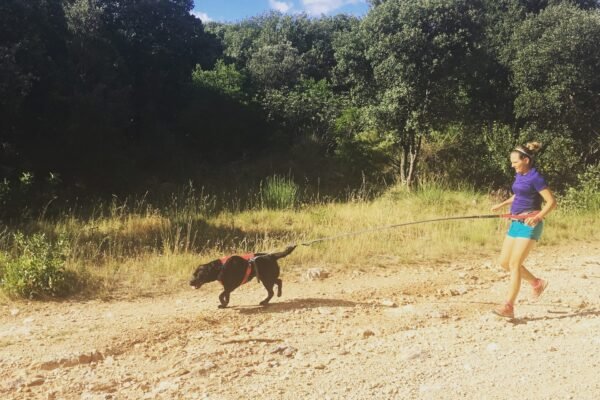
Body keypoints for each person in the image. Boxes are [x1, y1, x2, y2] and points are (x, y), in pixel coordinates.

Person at [490, 141, 557, 318]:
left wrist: (537, 217)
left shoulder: (536, 177)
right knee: (504, 262)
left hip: (530, 224)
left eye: (515, 162)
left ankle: (508, 306)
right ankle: (536, 283)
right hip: (516, 223)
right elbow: (519, 194)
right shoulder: (520, 174)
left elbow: (551, 202)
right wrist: (502, 204)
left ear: (526, 160)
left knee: (514, 264)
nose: (512, 166)